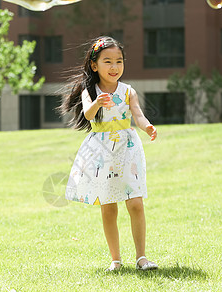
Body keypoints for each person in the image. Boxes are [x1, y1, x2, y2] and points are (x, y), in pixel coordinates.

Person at [58, 36, 158, 271]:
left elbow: (138, 115)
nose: (114, 67)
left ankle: (141, 257)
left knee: (135, 203)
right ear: (94, 65)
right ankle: (116, 259)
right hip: (101, 152)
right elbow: (89, 115)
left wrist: (147, 127)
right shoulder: (89, 90)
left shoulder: (128, 91)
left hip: (128, 149)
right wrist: (97, 103)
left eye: (119, 61)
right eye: (108, 62)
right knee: (109, 205)